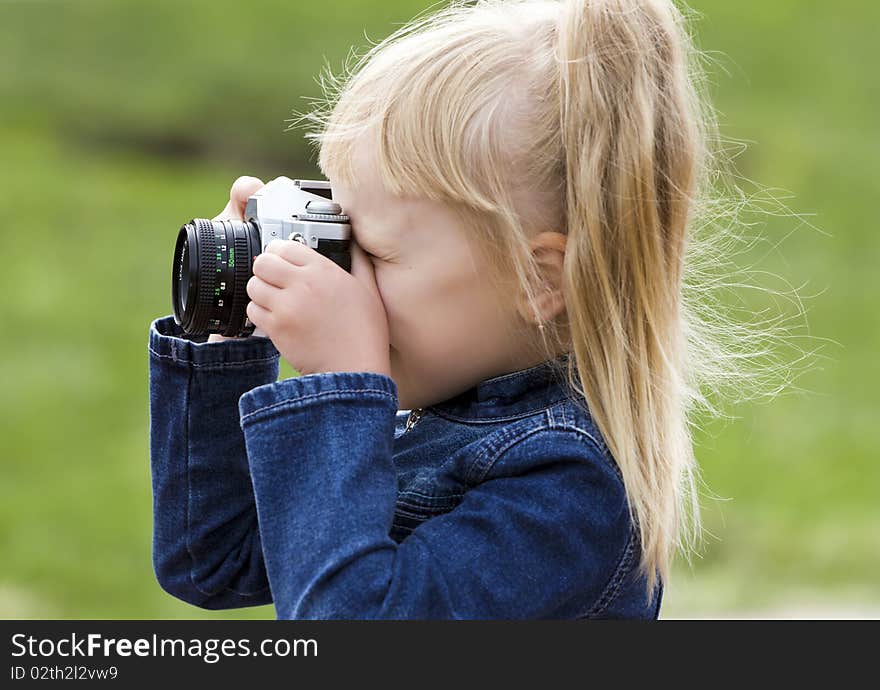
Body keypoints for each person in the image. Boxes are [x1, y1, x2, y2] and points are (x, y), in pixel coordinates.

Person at [148, 0, 716, 619]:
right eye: (339, 238)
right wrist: (233, 328)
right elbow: (211, 559)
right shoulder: (431, 418)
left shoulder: (569, 490)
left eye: (377, 255)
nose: (346, 280)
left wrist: (343, 388)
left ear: (538, 280)